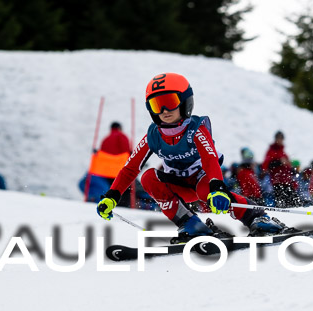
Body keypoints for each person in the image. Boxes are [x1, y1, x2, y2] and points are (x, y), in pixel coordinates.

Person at [96, 73, 292, 240]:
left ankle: (257, 217)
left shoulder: (195, 129)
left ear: (185, 101)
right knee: (148, 177)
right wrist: (111, 196)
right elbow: (131, 168)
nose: (164, 111)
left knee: (205, 190)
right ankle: (192, 225)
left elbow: (209, 159)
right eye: (157, 105)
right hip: (178, 184)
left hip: (204, 180)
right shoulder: (153, 135)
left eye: (170, 103)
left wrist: (217, 188)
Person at [261, 131, 300, 207]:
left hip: (287, 181)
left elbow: (288, 166)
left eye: (281, 139)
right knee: (283, 204)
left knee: (294, 203)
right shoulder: (271, 151)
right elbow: (266, 166)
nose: (280, 140)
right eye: (278, 138)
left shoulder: (283, 152)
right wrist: (279, 162)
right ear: (275, 139)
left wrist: (293, 169)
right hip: (278, 182)